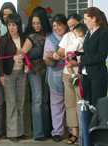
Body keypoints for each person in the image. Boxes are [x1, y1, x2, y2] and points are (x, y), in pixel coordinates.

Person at [22, 6, 52, 140]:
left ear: (44, 22)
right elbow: (21, 54)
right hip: (34, 72)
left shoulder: (49, 36)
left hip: (48, 70)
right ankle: (38, 133)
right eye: (33, 23)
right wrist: (20, 58)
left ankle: (47, 131)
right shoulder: (30, 37)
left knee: (46, 101)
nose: (36, 25)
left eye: (38, 23)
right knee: (38, 100)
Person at [80, 7, 108, 146]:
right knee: (87, 108)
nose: (84, 21)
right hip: (87, 75)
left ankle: (98, 140)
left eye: (86, 18)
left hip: (98, 76)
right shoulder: (88, 33)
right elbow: (87, 52)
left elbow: (101, 56)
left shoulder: (103, 33)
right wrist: (77, 55)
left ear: (94, 19)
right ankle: (87, 141)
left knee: (97, 109)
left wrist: (82, 60)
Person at [0, 14, 26, 142]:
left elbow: (28, 54)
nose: (11, 28)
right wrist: (1, 75)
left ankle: (20, 131)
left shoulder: (24, 38)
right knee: (11, 103)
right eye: (9, 25)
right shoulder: (3, 39)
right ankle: (12, 133)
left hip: (22, 74)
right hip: (9, 74)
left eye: (14, 25)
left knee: (21, 102)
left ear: (18, 25)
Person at [54, 14, 83, 144]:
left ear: (80, 22)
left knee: (81, 103)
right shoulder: (67, 36)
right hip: (67, 73)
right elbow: (61, 51)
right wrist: (56, 54)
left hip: (81, 73)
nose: (71, 28)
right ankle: (74, 133)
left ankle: (83, 133)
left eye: (74, 25)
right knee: (70, 104)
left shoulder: (86, 36)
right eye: (69, 26)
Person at [43, 14, 68, 142]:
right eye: (54, 25)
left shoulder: (71, 36)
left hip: (70, 73)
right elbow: (46, 60)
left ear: (65, 25)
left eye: (59, 24)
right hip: (55, 74)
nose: (57, 28)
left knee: (70, 102)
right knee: (56, 103)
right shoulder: (50, 39)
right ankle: (57, 131)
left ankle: (72, 130)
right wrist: (53, 57)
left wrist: (56, 55)